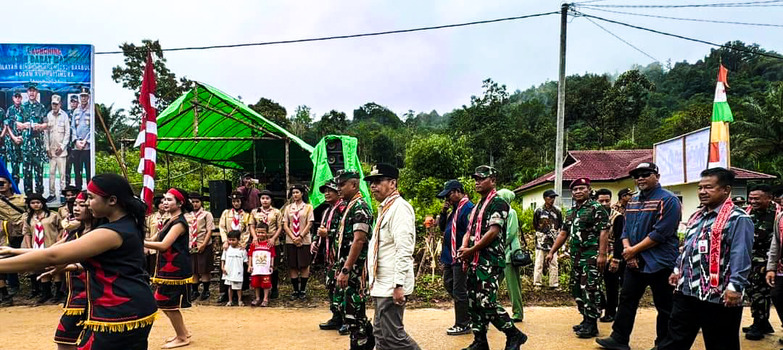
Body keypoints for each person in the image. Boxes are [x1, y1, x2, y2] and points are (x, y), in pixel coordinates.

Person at [0, 174, 158, 348]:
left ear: (112, 200)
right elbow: (113, 264)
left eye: (90, 198)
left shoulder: (110, 233)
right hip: (128, 305)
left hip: (120, 309)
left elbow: (51, 256)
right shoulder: (126, 224)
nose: (87, 203)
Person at [656, 168, 753, 350]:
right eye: (700, 188)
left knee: (721, 343)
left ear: (726, 190)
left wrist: (735, 287)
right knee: (674, 340)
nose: (702, 192)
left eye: (708, 187)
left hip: (719, 295)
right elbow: (688, 247)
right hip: (688, 291)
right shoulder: (697, 216)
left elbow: (741, 255)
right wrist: (677, 270)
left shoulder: (738, 219)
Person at [597, 162, 682, 350]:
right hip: (634, 262)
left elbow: (661, 234)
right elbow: (626, 229)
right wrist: (628, 252)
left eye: (645, 174)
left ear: (657, 176)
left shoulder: (669, 200)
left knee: (665, 305)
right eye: (637, 175)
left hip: (661, 262)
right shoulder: (633, 200)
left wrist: (633, 251)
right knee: (627, 299)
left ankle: (663, 345)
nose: (640, 178)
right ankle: (619, 338)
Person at [457, 165, 527, 350]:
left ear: (493, 181)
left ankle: (514, 334)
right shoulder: (477, 205)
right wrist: (464, 247)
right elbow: (469, 230)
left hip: (489, 260)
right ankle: (480, 341)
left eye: (481, 178)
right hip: (474, 260)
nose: (477, 182)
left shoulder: (498, 203)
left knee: (487, 302)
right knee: (473, 302)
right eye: (475, 179)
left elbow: (493, 232)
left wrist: (471, 250)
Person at [365, 164, 420, 350]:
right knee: (380, 334)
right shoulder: (385, 208)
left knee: (393, 336)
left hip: (391, 284)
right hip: (381, 283)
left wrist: (398, 285)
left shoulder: (400, 209)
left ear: (393, 183)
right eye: (371, 182)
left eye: (378, 181)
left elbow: (403, 249)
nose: (373, 186)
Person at [546, 178, 609, 338]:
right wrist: (552, 251)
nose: (578, 191)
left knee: (590, 289)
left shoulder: (597, 209)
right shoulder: (571, 212)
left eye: (582, 188)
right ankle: (585, 319)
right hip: (576, 257)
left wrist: (602, 255)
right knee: (577, 289)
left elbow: (604, 232)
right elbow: (563, 233)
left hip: (591, 257)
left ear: (589, 190)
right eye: (575, 190)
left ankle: (592, 324)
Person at [144, 188, 194, 349]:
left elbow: (163, 245)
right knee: (166, 302)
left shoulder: (179, 223)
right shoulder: (170, 220)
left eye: (170, 200)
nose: (165, 202)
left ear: (180, 203)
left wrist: (139, 242)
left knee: (166, 302)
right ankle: (183, 333)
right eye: (164, 199)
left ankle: (181, 337)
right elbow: (154, 239)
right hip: (167, 268)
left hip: (176, 269)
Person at [333, 169, 375, 349]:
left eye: (342, 184)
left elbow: (359, 240)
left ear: (354, 184)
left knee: (354, 312)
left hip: (355, 270)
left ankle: (363, 342)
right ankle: (365, 338)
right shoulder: (350, 205)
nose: (338, 188)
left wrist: (346, 269)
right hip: (348, 267)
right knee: (347, 310)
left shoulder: (360, 207)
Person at [436, 179, 474, 335]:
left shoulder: (468, 209)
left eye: (449, 195)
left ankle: (463, 323)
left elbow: (471, 233)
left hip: (460, 256)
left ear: (458, 192)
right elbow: (443, 228)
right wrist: (443, 212)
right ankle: (469, 312)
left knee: (459, 291)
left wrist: (467, 252)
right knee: (448, 284)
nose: (447, 200)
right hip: (449, 256)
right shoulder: (455, 209)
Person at [742, 184, 780, 340]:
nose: (752, 202)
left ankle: (759, 323)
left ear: (769, 198)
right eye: (750, 198)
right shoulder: (748, 212)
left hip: (767, 261)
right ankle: (762, 321)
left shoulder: (777, 214)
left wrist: (770, 265)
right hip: (749, 259)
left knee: (760, 294)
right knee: (752, 292)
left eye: (756, 198)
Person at [316, 179, 348, 333]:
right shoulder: (327, 210)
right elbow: (321, 229)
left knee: (342, 288)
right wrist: (317, 240)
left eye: (331, 190)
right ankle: (336, 317)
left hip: (341, 257)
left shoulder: (343, 208)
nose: (327, 193)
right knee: (331, 287)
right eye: (325, 191)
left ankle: (347, 320)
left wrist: (327, 233)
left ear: (338, 192)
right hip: (329, 256)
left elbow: (346, 234)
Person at [22, 193, 63, 304]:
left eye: (38, 202)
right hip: (37, 247)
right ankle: (46, 293)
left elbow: (62, 228)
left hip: (52, 244)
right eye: (33, 203)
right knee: (41, 269)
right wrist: (29, 247)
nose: (36, 205)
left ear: (43, 203)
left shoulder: (52, 215)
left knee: (55, 268)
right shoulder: (28, 218)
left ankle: (59, 293)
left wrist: (59, 240)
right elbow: (27, 233)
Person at [595, 189, 626, 323]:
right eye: (601, 201)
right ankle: (600, 305)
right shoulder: (593, 215)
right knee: (593, 283)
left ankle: (611, 312)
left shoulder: (617, 217)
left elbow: (620, 239)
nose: (604, 203)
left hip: (612, 253)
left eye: (607, 200)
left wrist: (616, 259)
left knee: (611, 284)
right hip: (595, 253)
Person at [249, 189, 284, 299]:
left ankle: (274, 288)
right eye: (263, 198)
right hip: (259, 243)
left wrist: (273, 238)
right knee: (259, 265)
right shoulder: (255, 212)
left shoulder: (276, 212)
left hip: (272, 242)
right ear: (260, 200)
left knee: (273, 266)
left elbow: (280, 227)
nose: (265, 201)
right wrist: (254, 237)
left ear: (271, 200)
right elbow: (252, 226)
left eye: (267, 198)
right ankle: (259, 288)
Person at [497, 189, 525, 322]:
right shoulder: (499, 213)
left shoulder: (511, 212)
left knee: (513, 285)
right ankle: (492, 310)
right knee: (493, 284)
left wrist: (497, 243)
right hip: (500, 253)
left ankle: (518, 313)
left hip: (509, 253)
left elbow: (511, 233)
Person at [218, 191, 251, 302]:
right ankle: (224, 292)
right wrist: (225, 241)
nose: (236, 203)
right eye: (234, 201)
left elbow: (247, 230)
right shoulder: (226, 213)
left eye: (238, 201)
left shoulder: (246, 215)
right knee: (226, 266)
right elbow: (222, 228)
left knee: (240, 267)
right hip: (228, 243)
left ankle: (240, 291)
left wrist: (243, 243)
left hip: (240, 244)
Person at [282, 184, 314, 300]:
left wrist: (300, 236)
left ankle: (303, 289)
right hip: (291, 240)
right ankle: (295, 290)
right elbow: (285, 224)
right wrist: (293, 237)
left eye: (297, 192)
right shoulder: (288, 208)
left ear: (302, 193)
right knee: (293, 265)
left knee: (304, 264)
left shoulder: (308, 207)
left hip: (304, 240)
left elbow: (310, 223)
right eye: (293, 193)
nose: (295, 195)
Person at [19, 83, 48, 194]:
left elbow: (46, 124)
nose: (32, 93)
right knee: (26, 172)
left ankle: (39, 195)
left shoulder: (41, 107)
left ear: (37, 93)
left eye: (34, 91)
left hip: (37, 146)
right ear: (27, 93)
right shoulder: (22, 107)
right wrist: (25, 125)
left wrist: (40, 126)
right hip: (26, 145)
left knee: (38, 171)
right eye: (30, 91)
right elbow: (18, 124)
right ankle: (28, 196)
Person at [0, 170, 25, 297]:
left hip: (24, 232)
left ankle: (38, 289)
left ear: (10, 184)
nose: (0, 186)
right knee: (8, 258)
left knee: (28, 256)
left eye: (2, 183)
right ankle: (13, 286)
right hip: (7, 234)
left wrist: (22, 220)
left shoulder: (22, 198)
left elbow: (31, 211)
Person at [187, 192, 215, 302]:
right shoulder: (186, 215)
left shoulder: (207, 214)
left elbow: (209, 230)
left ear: (201, 202)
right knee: (193, 269)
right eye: (193, 202)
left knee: (204, 269)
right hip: (190, 245)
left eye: (197, 202)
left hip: (203, 244)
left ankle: (206, 290)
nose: (195, 204)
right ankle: (194, 290)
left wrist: (204, 244)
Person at [533, 189, 563, 289]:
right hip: (541, 240)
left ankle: (553, 284)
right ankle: (537, 283)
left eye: (554, 197)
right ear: (545, 198)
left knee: (554, 263)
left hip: (554, 240)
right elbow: (535, 224)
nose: (552, 199)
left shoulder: (557, 211)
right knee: (539, 262)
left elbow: (560, 225)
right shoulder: (538, 211)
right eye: (550, 197)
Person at [44, 95, 70, 202]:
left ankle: (63, 194)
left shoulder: (64, 116)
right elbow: (46, 133)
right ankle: (52, 193)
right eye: (52, 104)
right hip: (51, 151)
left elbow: (68, 133)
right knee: (51, 173)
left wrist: (63, 147)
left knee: (62, 174)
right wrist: (47, 148)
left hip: (61, 151)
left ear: (60, 104)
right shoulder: (48, 115)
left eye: (56, 104)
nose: (54, 106)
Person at [766, 205, 783, 347]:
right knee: (777, 295)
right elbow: (775, 244)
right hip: (781, 269)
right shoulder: (780, 218)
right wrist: (771, 267)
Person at [248, 222, 275, 307]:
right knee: (255, 283)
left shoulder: (269, 244)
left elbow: (272, 256)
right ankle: (257, 298)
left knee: (266, 284)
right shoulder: (254, 244)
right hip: (256, 269)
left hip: (265, 269)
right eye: (258, 232)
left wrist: (271, 265)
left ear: (266, 233)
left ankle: (265, 299)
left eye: (262, 232)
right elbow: (250, 255)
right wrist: (249, 265)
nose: (260, 234)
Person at [70, 88, 91, 190]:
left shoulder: (91, 111)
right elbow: (73, 127)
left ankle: (89, 192)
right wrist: (76, 141)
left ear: (88, 97)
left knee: (88, 170)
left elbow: (93, 129)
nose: (83, 98)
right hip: (77, 146)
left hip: (87, 146)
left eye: (85, 96)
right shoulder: (76, 112)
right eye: (82, 96)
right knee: (77, 170)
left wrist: (86, 141)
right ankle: (78, 190)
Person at [221, 229, 247, 306]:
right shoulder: (227, 249)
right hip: (228, 270)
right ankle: (230, 300)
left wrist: (250, 266)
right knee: (230, 286)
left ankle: (239, 300)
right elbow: (223, 259)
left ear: (238, 240)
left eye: (233, 240)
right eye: (230, 240)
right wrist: (223, 268)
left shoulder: (242, 250)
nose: (231, 242)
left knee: (239, 287)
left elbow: (246, 260)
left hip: (238, 270)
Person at [144, 196, 168, 276]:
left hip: (166, 246)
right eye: (161, 202)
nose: (163, 204)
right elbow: (147, 231)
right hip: (152, 247)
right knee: (151, 267)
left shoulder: (171, 217)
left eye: (165, 202)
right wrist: (146, 246)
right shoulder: (151, 217)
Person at [3, 91, 24, 181]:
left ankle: (28, 191)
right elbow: (7, 126)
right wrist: (14, 138)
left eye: (19, 97)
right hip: (12, 141)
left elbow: (27, 125)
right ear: (13, 98)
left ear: (21, 98)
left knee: (26, 167)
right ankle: (15, 189)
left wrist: (22, 137)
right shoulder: (10, 110)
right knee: (14, 165)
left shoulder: (25, 109)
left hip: (24, 141)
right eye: (16, 97)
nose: (17, 99)